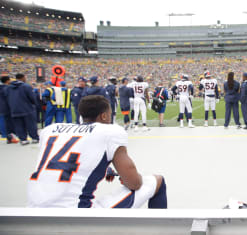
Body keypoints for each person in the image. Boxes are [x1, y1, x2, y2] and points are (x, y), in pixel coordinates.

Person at [27, 95, 167, 208]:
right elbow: (135, 183)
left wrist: (106, 170)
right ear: (104, 116)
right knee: (157, 181)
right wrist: (131, 176)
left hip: (33, 213)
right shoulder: (110, 131)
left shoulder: (51, 130)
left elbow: (61, 161)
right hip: (76, 215)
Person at [4, 74, 39, 145]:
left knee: (18, 125)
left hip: (14, 109)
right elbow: (32, 98)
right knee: (31, 125)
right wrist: (34, 104)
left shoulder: (7, 88)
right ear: (23, 78)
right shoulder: (26, 86)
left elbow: (6, 99)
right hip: (27, 109)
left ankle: (23, 139)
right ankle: (34, 138)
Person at [0, 76, 18, 144]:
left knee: (2, 121)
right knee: (9, 123)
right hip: (7, 107)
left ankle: (6, 135)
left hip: (1, 107)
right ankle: (11, 136)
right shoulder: (7, 88)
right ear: (7, 81)